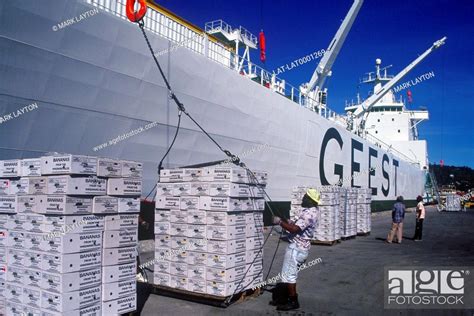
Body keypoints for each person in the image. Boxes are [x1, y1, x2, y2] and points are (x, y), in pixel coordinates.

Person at [271, 188, 320, 311]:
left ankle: (293, 301)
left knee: (289, 276)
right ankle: (283, 298)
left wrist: (280, 222)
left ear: (309, 199)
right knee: (288, 273)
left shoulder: (309, 213)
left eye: (305, 196)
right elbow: (299, 226)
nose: (302, 198)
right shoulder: (313, 211)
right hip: (302, 248)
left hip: (296, 249)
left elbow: (294, 230)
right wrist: (289, 221)